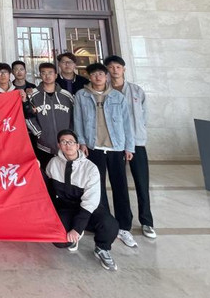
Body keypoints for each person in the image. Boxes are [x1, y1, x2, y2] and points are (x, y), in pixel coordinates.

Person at [73, 62, 137, 248]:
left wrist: (129, 147)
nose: (98, 77)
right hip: (93, 148)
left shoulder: (117, 96)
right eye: (94, 74)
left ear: (106, 76)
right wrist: (82, 142)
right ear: (89, 77)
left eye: (101, 74)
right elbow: (78, 120)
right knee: (97, 188)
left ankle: (124, 227)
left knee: (120, 187)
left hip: (116, 147)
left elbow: (127, 123)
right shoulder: (81, 95)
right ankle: (107, 224)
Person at [45, 129, 120, 271]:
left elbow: (90, 201)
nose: (68, 145)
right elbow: (46, 187)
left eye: (71, 142)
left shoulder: (90, 168)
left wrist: (77, 229)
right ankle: (74, 235)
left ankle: (102, 248)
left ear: (77, 145)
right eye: (63, 142)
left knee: (110, 225)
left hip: (88, 208)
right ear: (59, 145)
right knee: (59, 241)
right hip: (66, 207)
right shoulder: (53, 163)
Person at [105, 55, 156, 239]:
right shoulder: (105, 91)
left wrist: (138, 133)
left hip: (136, 142)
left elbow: (144, 116)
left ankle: (147, 221)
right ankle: (123, 221)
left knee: (142, 183)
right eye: (111, 67)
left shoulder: (136, 91)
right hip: (116, 144)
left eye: (118, 67)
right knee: (119, 184)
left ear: (124, 69)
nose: (115, 70)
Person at [25, 62, 74, 170]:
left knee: (67, 174)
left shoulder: (66, 95)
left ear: (56, 75)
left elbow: (75, 117)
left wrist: (71, 133)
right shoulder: (32, 95)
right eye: (44, 73)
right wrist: (38, 133)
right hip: (43, 145)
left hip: (66, 145)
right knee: (46, 174)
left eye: (50, 73)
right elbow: (27, 116)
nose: (47, 76)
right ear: (40, 75)